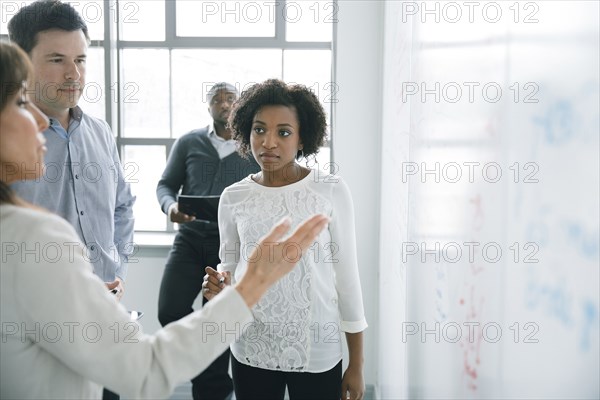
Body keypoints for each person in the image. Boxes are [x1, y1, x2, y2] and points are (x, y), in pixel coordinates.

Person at [0, 40, 330, 400]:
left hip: (223, 246)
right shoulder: (33, 237)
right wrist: (253, 284)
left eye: (81, 58)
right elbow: (144, 371)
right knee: (171, 306)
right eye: (20, 101)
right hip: (190, 238)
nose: (38, 118)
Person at [202, 79, 368, 400]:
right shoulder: (233, 197)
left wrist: (357, 363)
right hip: (251, 345)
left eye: (284, 132)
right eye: (259, 129)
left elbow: (347, 279)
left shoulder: (330, 190)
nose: (268, 142)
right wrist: (220, 287)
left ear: (302, 137)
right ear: (245, 131)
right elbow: (231, 271)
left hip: (316, 347)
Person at [8, 0, 135, 300]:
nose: (73, 75)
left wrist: (117, 272)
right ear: (21, 62)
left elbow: (122, 207)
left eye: (80, 59)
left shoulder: (100, 132)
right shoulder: (7, 140)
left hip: (106, 306)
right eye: (56, 60)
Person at [156, 82, 260, 399]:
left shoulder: (250, 145)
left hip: (230, 245)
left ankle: (212, 390)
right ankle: (202, 364)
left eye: (231, 98)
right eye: (217, 98)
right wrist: (170, 207)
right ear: (209, 105)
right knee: (169, 309)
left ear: (239, 105)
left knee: (217, 319)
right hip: (189, 240)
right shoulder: (189, 142)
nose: (224, 103)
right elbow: (165, 185)